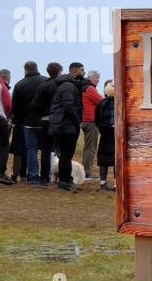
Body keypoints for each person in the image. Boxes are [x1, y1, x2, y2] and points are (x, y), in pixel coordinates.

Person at [48, 62, 88, 191]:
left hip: (64, 124)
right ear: (75, 71)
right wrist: (77, 121)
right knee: (66, 154)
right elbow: (68, 107)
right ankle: (64, 182)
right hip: (66, 125)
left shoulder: (68, 85)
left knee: (66, 154)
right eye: (82, 70)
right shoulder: (68, 86)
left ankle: (66, 180)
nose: (84, 73)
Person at [10, 61, 45, 184]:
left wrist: (18, 121)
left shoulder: (20, 84)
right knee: (46, 150)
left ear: (25, 70)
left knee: (31, 150)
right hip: (44, 121)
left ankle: (33, 176)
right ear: (36, 68)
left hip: (27, 122)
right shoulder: (45, 81)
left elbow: (15, 107)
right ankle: (46, 176)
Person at [30, 62, 63, 185]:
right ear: (59, 72)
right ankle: (62, 177)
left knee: (45, 150)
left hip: (45, 120)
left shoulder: (43, 86)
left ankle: (44, 178)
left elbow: (34, 104)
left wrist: (42, 114)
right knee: (61, 150)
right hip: (60, 120)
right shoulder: (63, 86)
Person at [81, 70, 102, 178]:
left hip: (84, 120)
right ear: (90, 78)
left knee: (87, 147)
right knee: (91, 148)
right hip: (91, 121)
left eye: (98, 77)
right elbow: (101, 101)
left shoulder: (83, 87)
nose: (98, 79)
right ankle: (87, 173)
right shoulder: (90, 88)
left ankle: (85, 171)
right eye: (96, 77)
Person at [95, 79, 116, 190]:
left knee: (103, 159)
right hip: (116, 134)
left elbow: (96, 120)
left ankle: (103, 183)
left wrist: (102, 129)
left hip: (104, 134)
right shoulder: (120, 101)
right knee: (117, 159)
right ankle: (116, 184)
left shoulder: (101, 103)